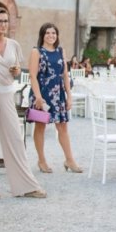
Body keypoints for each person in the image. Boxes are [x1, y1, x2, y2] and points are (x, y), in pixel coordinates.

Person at [0, 8, 46, 200]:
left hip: (7, 94)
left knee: (15, 138)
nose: (3, 24)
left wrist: (15, 71)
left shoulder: (14, 45)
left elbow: (17, 71)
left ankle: (26, 186)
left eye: (5, 21)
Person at [28, 22, 83, 174]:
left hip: (58, 94)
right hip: (42, 94)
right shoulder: (36, 52)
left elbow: (65, 74)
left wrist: (69, 96)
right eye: (47, 33)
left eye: (53, 33)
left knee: (63, 126)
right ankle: (41, 160)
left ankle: (69, 159)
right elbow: (32, 75)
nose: (51, 36)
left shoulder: (60, 51)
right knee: (41, 126)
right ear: (42, 35)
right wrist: (38, 97)